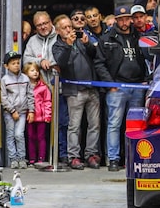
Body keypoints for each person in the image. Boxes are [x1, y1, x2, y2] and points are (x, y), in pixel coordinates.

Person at [94, 5, 149, 172]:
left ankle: (133, 157)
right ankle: (113, 159)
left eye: (127, 19)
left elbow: (148, 60)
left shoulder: (138, 36)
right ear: (116, 20)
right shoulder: (107, 38)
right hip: (117, 87)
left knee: (136, 125)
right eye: (121, 19)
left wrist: (145, 80)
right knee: (114, 124)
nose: (124, 22)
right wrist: (110, 83)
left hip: (137, 85)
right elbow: (99, 63)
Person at [52, 14, 102, 170]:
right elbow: (61, 63)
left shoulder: (80, 40)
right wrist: (68, 44)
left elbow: (95, 56)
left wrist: (87, 45)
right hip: (74, 91)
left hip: (91, 88)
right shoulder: (58, 46)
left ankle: (91, 155)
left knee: (94, 125)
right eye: (65, 27)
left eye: (70, 26)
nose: (69, 30)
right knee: (74, 126)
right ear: (58, 31)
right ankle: (73, 156)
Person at [23, 10, 68, 161]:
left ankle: (61, 155)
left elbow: (67, 56)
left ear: (51, 22)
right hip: (39, 93)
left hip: (60, 89)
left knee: (62, 123)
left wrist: (53, 63)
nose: (43, 27)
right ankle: (41, 158)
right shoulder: (32, 41)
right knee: (39, 129)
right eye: (39, 25)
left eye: (45, 23)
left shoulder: (60, 35)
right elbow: (25, 61)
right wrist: (39, 62)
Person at [0, 51, 35, 169]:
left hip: (23, 112)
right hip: (10, 113)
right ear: (6, 66)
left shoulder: (25, 78)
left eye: (18, 63)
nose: (16, 65)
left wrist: (31, 111)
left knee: (19, 134)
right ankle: (13, 159)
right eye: (13, 63)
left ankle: (21, 158)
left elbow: (30, 95)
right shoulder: (4, 80)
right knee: (10, 135)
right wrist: (12, 110)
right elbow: (3, 98)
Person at [24, 61, 52, 165]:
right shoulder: (25, 86)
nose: (35, 72)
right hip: (29, 116)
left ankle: (41, 157)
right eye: (32, 70)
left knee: (41, 137)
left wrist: (47, 115)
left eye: (36, 70)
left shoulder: (43, 87)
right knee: (31, 137)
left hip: (41, 117)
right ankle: (32, 158)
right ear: (26, 73)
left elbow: (47, 102)